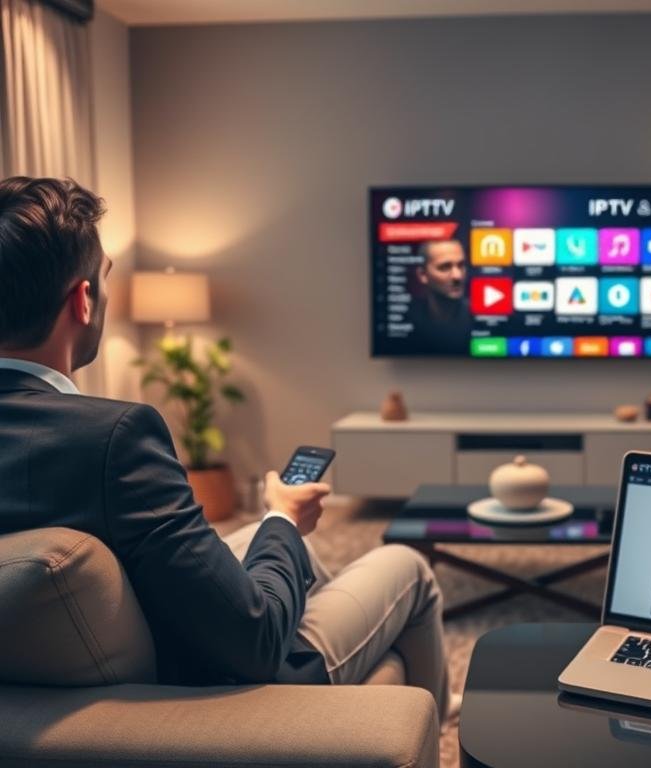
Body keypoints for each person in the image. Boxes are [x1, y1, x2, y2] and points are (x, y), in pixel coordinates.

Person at [0, 177, 449, 716]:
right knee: (406, 565)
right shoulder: (113, 438)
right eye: (105, 280)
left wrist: (278, 531)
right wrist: (281, 517)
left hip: (65, 680)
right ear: (83, 300)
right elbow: (253, 642)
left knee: (282, 547)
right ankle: (427, 711)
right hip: (210, 688)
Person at [408, 239, 471, 353]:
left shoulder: (481, 319)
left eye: (461, 265)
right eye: (445, 267)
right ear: (422, 275)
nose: (457, 276)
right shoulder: (408, 318)